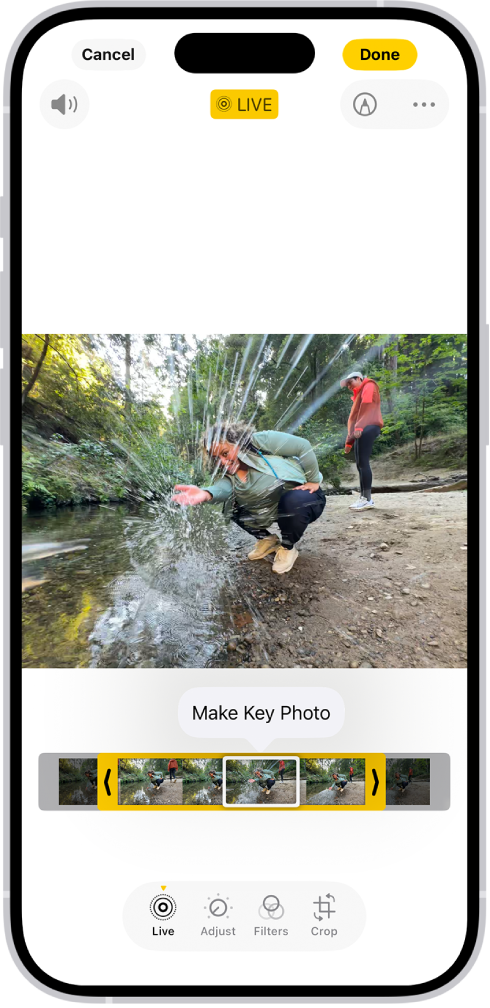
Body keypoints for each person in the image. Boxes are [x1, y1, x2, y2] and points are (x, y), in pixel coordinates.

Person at [171, 423, 326, 575]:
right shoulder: (229, 475)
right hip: (273, 508)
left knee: (293, 501)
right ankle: (267, 540)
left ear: (236, 443)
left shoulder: (260, 441)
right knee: (231, 507)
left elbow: (302, 446)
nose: (223, 462)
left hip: (305, 498)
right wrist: (206, 493)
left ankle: (287, 548)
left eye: (225, 453)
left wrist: (312, 480)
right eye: (216, 458)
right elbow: (223, 488)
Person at [340, 372, 383, 511]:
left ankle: (367, 499)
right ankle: (364, 498)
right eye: (346, 385)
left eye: (350, 383)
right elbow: (354, 419)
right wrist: (349, 442)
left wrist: (359, 426)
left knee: (363, 463)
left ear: (358, 378)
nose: (348, 386)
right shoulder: (359, 394)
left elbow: (367, 406)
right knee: (360, 464)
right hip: (363, 427)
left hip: (369, 426)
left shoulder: (369, 385)